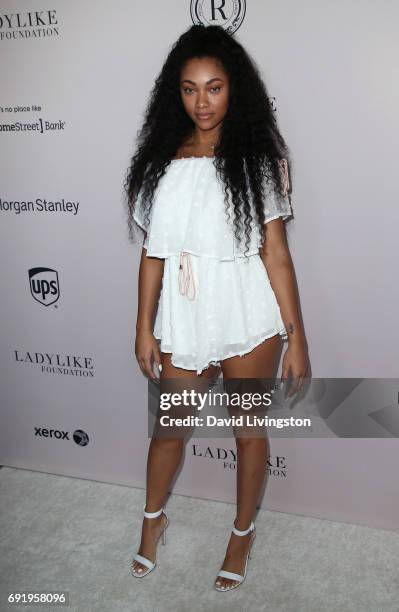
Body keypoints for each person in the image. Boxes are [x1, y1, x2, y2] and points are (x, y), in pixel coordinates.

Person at [124, 24, 310, 592]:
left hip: (248, 312)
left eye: (214, 87)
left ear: (236, 89)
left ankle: (241, 533)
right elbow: (153, 257)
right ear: (173, 94)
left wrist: (296, 336)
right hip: (183, 312)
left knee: (248, 433)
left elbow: (276, 254)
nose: (201, 102)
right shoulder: (159, 162)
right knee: (167, 433)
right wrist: (143, 328)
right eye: (189, 89)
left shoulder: (257, 160)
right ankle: (152, 522)